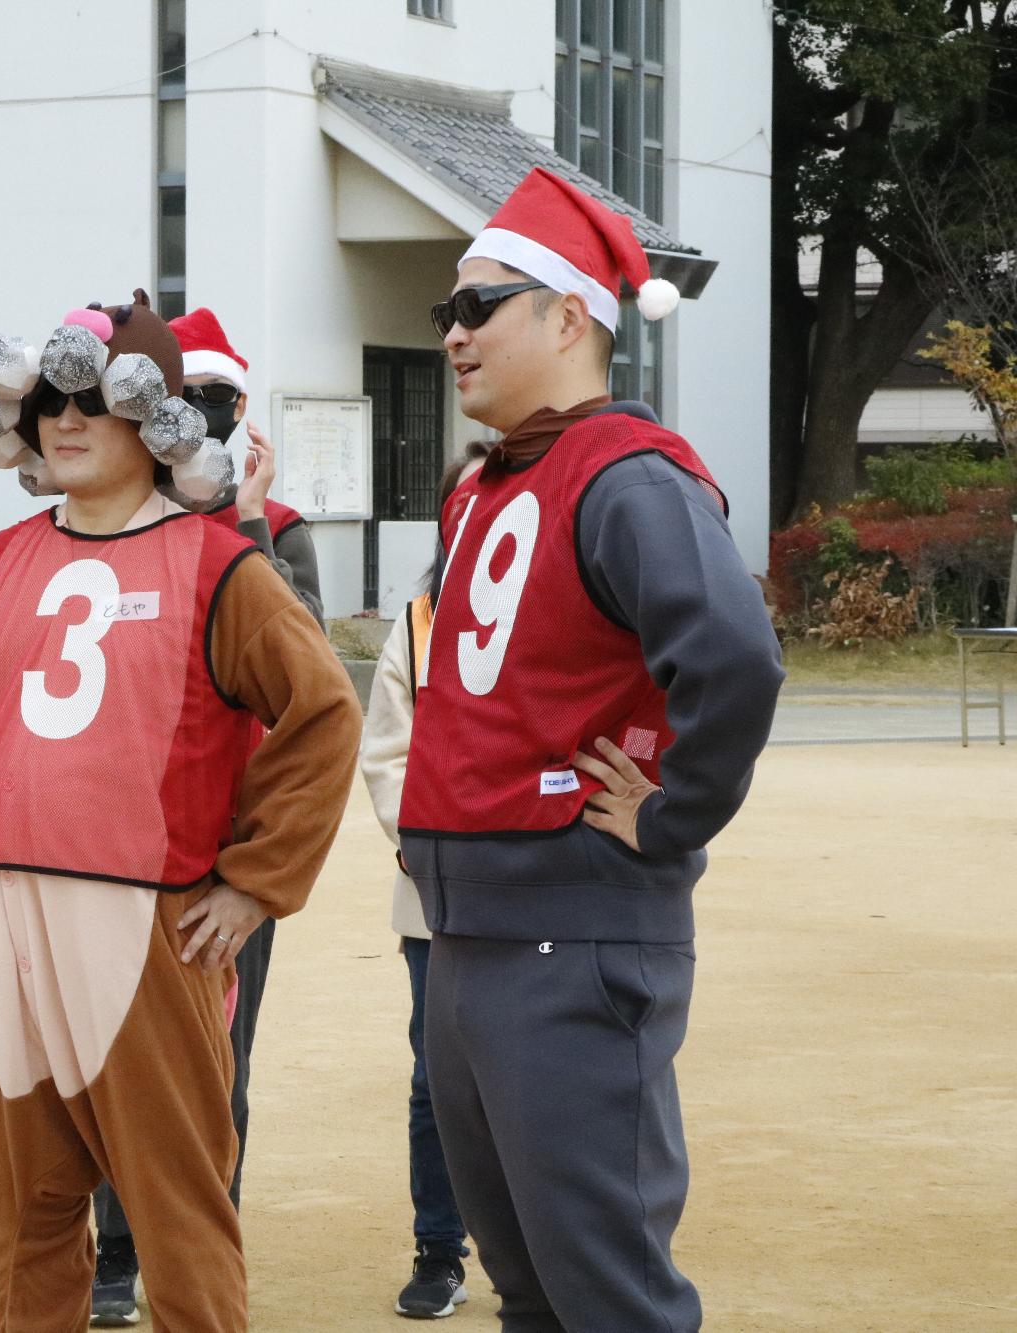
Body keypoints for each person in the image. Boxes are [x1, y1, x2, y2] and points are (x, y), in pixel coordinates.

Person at [0, 292, 361, 1331]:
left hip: (141, 920)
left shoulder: (221, 566)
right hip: (2, 916)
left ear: (155, 420)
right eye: (49, 404)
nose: (64, 422)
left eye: (94, 402)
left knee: (175, 1207)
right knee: (26, 1208)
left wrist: (256, 881)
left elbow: (322, 714)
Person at [400, 168, 784, 1330]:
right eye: (444, 314)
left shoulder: (629, 471)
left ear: (569, 315)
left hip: (573, 935)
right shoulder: (482, 485)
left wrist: (668, 816)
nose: (453, 334)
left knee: (606, 1294)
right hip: (468, 932)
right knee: (528, 1290)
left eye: (478, 306)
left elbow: (733, 657)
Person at [86, 305, 325, 1325]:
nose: (205, 421)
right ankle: (113, 1257)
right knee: (106, 1059)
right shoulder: (113, 517)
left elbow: (297, 676)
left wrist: (249, 526)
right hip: (110, 851)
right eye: (188, 404)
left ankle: (200, 1250)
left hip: (221, 866)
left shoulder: (277, 534)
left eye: (222, 404)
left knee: (216, 1063)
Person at [360, 441, 488, 1321]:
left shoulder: (554, 611)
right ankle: (439, 1250)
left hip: (538, 889)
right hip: (434, 892)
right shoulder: (418, 622)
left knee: (531, 1074)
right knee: (435, 1077)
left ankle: (536, 1245)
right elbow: (385, 754)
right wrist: (431, 844)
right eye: (461, 500)